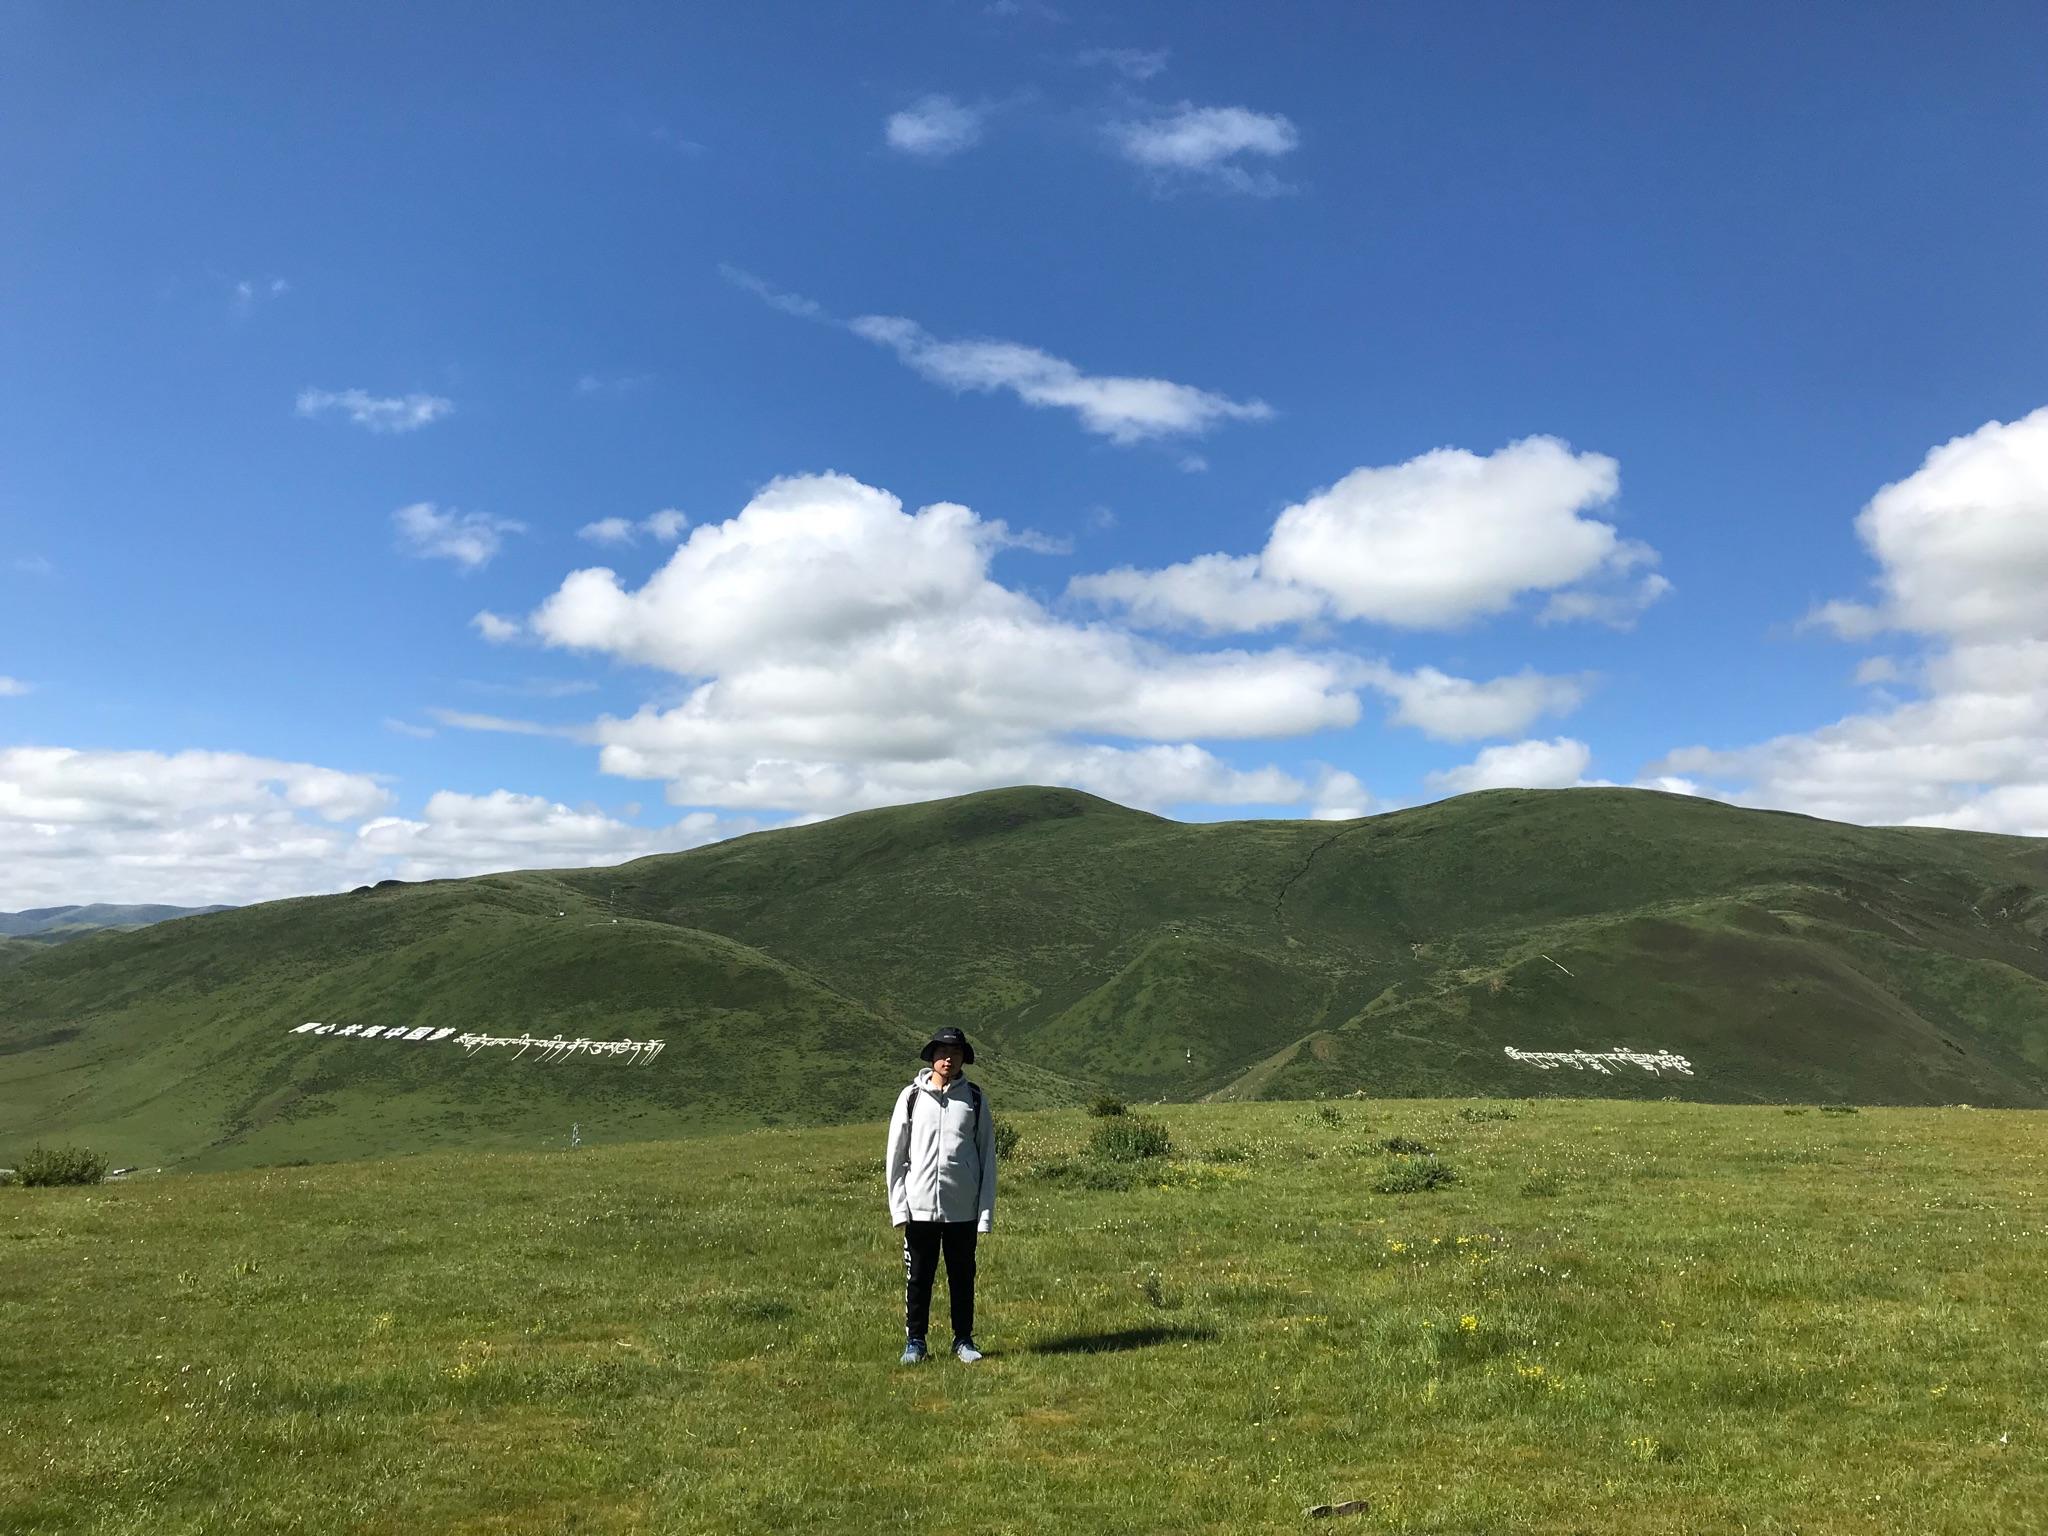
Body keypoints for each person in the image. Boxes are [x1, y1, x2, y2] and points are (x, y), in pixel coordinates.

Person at [884, 1026, 996, 1364]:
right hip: (919, 1208)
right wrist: (899, 1209)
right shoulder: (911, 1097)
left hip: (963, 1209)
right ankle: (915, 1342)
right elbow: (896, 1155)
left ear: (964, 1058)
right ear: (932, 1056)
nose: (949, 1058)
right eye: (943, 1052)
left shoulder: (974, 1099)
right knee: (919, 1277)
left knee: (962, 1277)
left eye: (956, 1052)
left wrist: (985, 1214)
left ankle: (963, 1340)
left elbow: (987, 1158)